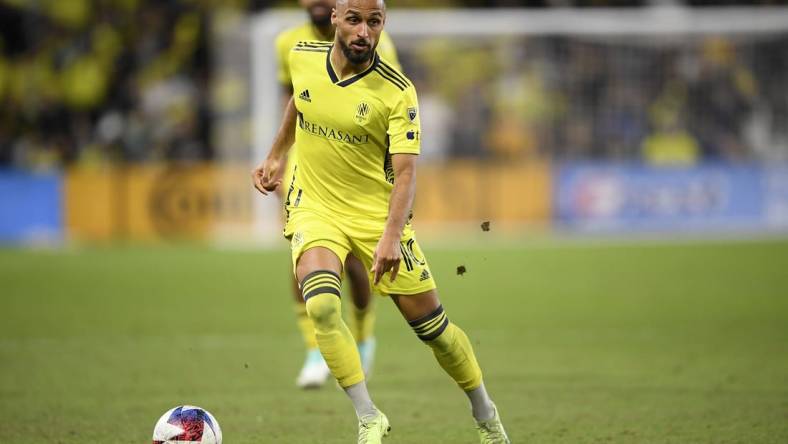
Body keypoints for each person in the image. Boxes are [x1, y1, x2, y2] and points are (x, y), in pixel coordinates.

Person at [252, 0, 510, 442]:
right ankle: (368, 415)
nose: (363, 32)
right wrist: (277, 153)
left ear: (382, 26)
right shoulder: (301, 56)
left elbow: (407, 173)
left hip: (378, 217)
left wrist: (391, 237)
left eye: (374, 22)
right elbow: (301, 101)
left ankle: (485, 411)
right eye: (354, 20)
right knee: (322, 306)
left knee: (436, 333)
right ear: (335, 18)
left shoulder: (397, 91)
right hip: (316, 206)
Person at [274, 0, 401, 389]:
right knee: (303, 254)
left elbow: (391, 107)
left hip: (354, 163)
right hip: (307, 159)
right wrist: (278, 155)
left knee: (355, 264)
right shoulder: (288, 44)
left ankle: (363, 336)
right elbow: (293, 99)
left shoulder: (378, 43)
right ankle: (316, 350)